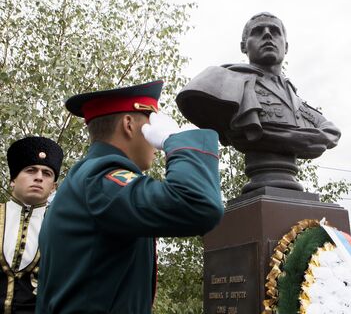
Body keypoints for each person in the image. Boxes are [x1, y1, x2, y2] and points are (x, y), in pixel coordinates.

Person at [36, 80, 224, 313]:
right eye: (151, 121)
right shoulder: (100, 179)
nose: (156, 145)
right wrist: (174, 140)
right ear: (129, 124)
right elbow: (196, 204)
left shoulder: (82, 179)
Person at [176, 12, 340, 160]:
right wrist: (300, 138)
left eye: (275, 31)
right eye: (258, 31)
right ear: (243, 46)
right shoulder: (218, 79)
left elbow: (331, 132)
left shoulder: (296, 100)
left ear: (286, 47)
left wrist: (277, 136)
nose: (267, 34)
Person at [0, 136, 63, 314]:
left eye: (47, 173)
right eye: (30, 170)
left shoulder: (61, 226)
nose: (38, 178)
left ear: (53, 187)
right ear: (12, 180)